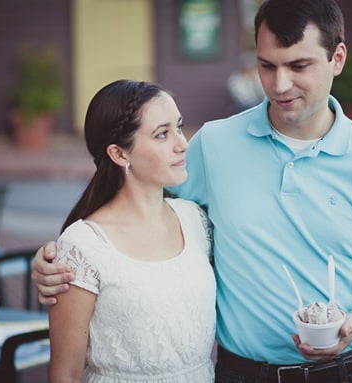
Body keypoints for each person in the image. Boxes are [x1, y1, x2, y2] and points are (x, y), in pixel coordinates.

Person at [32, 1, 352, 382]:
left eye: (299, 66)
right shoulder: (214, 144)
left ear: (337, 58)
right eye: (267, 65)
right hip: (241, 374)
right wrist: (61, 260)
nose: (280, 84)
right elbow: (139, 217)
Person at [47, 79, 216, 382]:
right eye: (162, 134)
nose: (183, 143)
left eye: (179, 127)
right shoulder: (83, 245)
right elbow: (65, 374)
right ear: (120, 154)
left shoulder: (194, 221)